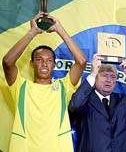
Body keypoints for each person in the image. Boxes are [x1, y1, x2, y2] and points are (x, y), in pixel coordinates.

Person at [2, 12, 87, 152]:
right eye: (39, 60)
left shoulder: (62, 87)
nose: (44, 64)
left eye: (49, 61)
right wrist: (32, 32)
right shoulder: (21, 86)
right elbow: (7, 62)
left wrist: (60, 29)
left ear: (54, 65)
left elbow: (81, 61)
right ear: (31, 64)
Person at [69, 53, 126, 152]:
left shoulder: (123, 100)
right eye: (104, 75)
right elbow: (75, 105)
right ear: (96, 78)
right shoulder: (85, 100)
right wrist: (93, 73)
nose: (108, 80)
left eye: (112, 77)